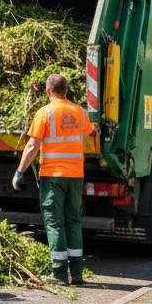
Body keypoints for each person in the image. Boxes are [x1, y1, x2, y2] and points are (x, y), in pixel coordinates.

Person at [12, 73, 95, 285]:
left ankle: (58, 274)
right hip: (76, 176)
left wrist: (20, 171)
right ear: (66, 91)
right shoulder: (81, 112)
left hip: (53, 176)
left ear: (48, 92)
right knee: (74, 221)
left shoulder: (44, 112)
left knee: (55, 223)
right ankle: (76, 273)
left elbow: (32, 146)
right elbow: (90, 132)